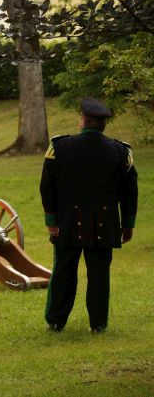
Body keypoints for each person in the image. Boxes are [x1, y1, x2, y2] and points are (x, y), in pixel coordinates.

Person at [39, 97, 138, 333]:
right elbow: (130, 191)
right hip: (104, 225)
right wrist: (128, 225)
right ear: (103, 124)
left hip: (68, 223)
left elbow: (47, 186)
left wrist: (51, 221)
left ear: (83, 120)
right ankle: (98, 324)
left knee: (63, 271)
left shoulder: (59, 147)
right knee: (99, 275)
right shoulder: (120, 151)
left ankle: (55, 321)